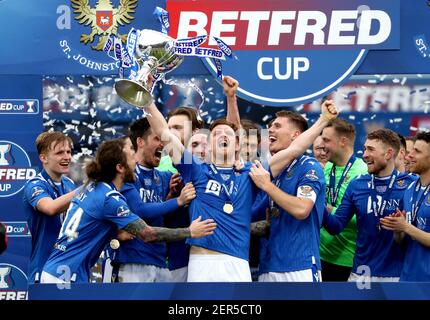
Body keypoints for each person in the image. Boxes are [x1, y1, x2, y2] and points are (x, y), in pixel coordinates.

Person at [40, 137, 216, 284]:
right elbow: (148, 234)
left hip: (58, 270)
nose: (136, 161)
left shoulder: (92, 187)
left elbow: (91, 223)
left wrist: (114, 232)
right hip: (66, 276)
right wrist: (190, 232)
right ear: (120, 167)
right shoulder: (110, 198)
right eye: (132, 156)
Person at [249, 102, 337, 282]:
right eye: (270, 126)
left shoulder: (308, 166)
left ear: (296, 135)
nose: (270, 130)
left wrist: (268, 186)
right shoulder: (269, 171)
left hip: (299, 266)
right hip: (268, 265)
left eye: (277, 126)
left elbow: (302, 210)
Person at [323, 129, 416, 282]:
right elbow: (335, 226)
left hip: (397, 274)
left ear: (388, 153)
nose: (364, 155)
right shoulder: (357, 184)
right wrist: (319, 205)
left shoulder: (410, 184)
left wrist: (403, 228)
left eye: (371, 149)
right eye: (365, 148)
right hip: (361, 274)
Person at [114, 118, 196, 282]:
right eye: (157, 138)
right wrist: (177, 201)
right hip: (133, 260)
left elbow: (164, 216)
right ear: (140, 142)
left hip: (160, 261)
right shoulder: (126, 174)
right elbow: (138, 209)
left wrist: (170, 197)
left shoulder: (166, 178)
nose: (162, 144)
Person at [22, 131, 78, 283]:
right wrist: (86, 188)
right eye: (60, 152)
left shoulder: (69, 184)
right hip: (43, 268)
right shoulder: (35, 184)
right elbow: (50, 208)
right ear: (43, 158)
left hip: (68, 269)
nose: (67, 157)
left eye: (68, 152)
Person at [319, 118, 368, 281]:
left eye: (326, 140)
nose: (321, 145)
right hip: (320, 256)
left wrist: (332, 211)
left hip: (348, 260)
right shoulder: (325, 169)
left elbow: (368, 217)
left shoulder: (363, 172)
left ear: (343, 142)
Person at [380, 131, 430, 281]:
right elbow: (402, 242)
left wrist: (406, 227)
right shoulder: (409, 189)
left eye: (417, 151)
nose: (409, 155)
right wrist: (398, 230)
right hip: (407, 278)